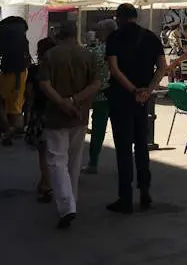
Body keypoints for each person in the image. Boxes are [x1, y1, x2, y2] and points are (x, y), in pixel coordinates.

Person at [105, 3, 167, 215]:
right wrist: (147, 91)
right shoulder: (151, 37)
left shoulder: (114, 38)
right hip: (143, 100)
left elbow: (113, 68)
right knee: (141, 145)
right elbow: (162, 67)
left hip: (122, 98)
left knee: (123, 149)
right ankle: (145, 190)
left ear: (120, 18)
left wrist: (132, 89)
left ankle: (125, 197)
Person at [39, 22, 98, 230]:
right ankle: (72, 200)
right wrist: (75, 101)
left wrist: (63, 102)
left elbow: (44, 84)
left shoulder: (50, 56)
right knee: (74, 159)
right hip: (80, 114)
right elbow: (97, 84)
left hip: (56, 115)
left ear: (58, 36)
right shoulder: (88, 55)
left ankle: (66, 205)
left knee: (56, 159)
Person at [25, 37, 57, 203]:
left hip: (40, 112)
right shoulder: (59, 69)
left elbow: (29, 94)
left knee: (43, 151)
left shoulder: (35, 70)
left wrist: (28, 115)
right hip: (57, 111)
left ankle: (46, 183)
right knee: (56, 150)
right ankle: (49, 182)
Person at [0, 15, 31, 145]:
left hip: (6, 72)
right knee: (16, 105)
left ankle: (7, 128)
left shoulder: (3, 38)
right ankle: (12, 129)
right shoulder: (22, 39)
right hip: (20, 74)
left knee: (2, 102)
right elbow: (27, 56)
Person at [85, 19, 115, 174]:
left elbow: (88, 60)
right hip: (116, 95)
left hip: (101, 95)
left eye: (99, 30)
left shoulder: (99, 49)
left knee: (98, 129)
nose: (96, 32)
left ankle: (93, 162)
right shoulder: (119, 48)